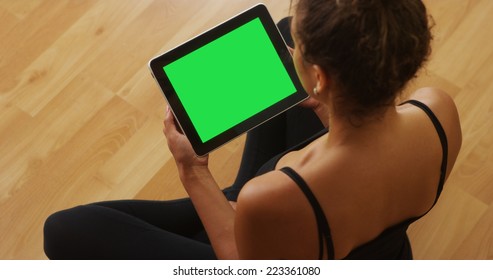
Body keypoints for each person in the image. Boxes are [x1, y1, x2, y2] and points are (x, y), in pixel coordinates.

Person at [44, 0, 462, 259]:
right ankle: (223, 201)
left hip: (283, 249)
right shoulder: (437, 109)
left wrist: (194, 171)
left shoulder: (274, 195)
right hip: (374, 249)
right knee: (280, 36)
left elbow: (242, 263)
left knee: (63, 231)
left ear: (320, 77)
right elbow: (368, 158)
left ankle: (222, 198)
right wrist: (325, 106)